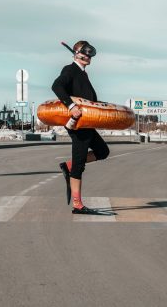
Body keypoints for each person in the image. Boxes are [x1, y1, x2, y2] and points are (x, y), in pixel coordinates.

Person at [52, 40, 110, 214]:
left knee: (103, 151)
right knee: (79, 166)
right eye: (86, 54)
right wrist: (71, 106)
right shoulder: (70, 70)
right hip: (78, 125)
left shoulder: (82, 74)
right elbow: (57, 86)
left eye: (90, 56)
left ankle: (69, 166)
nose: (88, 58)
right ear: (76, 53)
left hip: (87, 124)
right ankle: (77, 204)